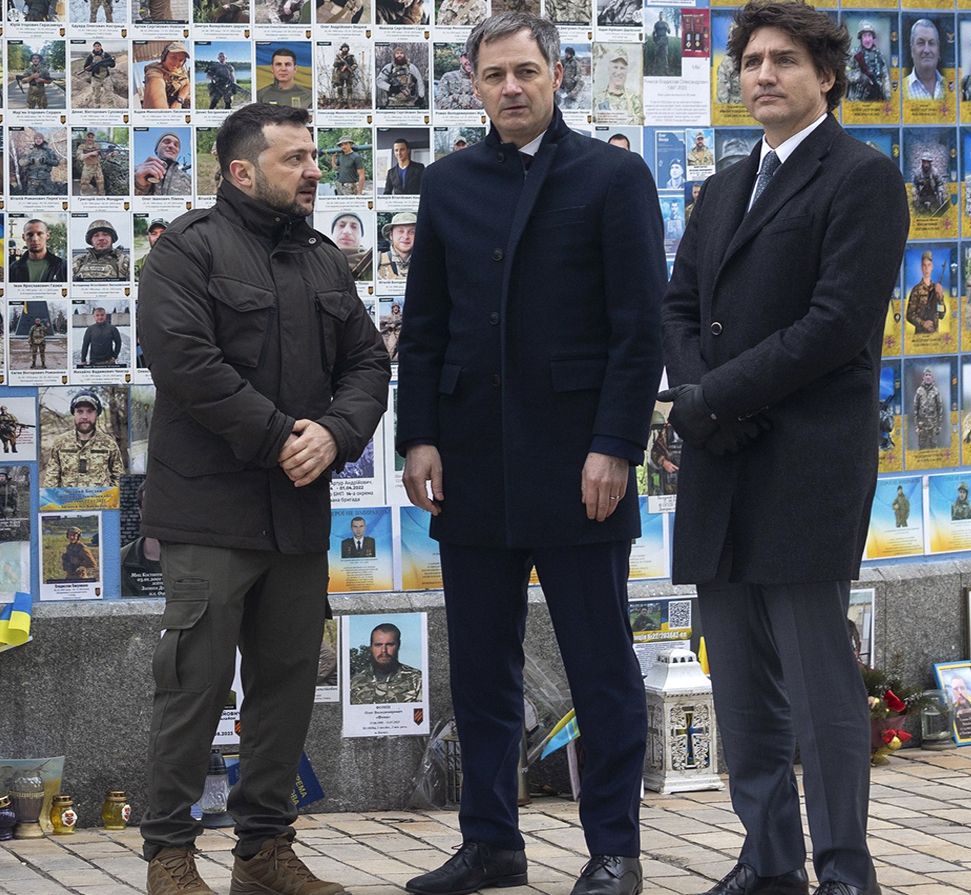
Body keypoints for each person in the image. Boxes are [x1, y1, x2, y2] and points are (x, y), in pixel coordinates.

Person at [395, 12, 661, 895]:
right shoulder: (447, 183)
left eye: (526, 72)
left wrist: (617, 444)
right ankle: (491, 842)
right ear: (472, 84)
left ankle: (614, 848)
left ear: (557, 76)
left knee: (600, 663)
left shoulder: (613, 177)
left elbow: (638, 327)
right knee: (480, 665)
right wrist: (419, 433)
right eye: (493, 75)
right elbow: (425, 325)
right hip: (471, 463)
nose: (511, 88)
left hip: (582, 464)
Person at [659, 3, 908, 894]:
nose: (763, 75)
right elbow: (678, 306)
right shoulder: (725, 186)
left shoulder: (863, 179)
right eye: (752, 62)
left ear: (826, 75)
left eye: (784, 61)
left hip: (805, 463)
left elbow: (835, 326)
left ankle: (845, 866)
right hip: (723, 459)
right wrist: (701, 399)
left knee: (817, 683)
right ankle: (768, 859)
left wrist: (715, 397)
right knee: (741, 686)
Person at [134, 100, 387, 895]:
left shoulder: (322, 258)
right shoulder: (187, 252)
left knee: (284, 686)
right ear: (241, 171)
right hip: (211, 513)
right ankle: (170, 853)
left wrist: (335, 434)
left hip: (297, 517)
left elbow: (368, 365)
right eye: (297, 159)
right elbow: (185, 363)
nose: (316, 170)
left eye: (314, 156)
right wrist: (283, 434)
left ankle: (263, 850)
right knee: (194, 685)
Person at [41, 390, 122, 488]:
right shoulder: (60, 442)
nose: (84, 416)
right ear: (73, 414)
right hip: (68, 502)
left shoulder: (109, 443)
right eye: (80, 411)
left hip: (99, 501)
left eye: (90, 411)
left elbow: (119, 477)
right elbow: (51, 478)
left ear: (97, 414)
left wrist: (112, 499)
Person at [349, 623, 424, 703]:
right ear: (371, 647)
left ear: (398, 645)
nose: (384, 650)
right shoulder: (353, 683)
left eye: (390, 645)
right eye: (378, 645)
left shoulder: (418, 680)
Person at [135, 131, 192, 197]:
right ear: (156, 149)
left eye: (176, 145)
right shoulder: (136, 171)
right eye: (166, 142)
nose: (171, 146)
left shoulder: (188, 180)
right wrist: (139, 185)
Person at [904, 251, 946, 335]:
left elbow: (942, 315)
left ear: (932, 267)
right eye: (924, 265)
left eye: (929, 265)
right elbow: (909, 315)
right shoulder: (916, 290)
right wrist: (923, 323)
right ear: (921, 267)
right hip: (920, 337)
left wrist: (940, 298)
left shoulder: (937, 289)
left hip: (934, 336)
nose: (926, 268)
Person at [142, 42, 192, 110]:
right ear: (165, 56)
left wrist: (179, 100)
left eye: (181, 60)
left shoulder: (180, 71)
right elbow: (155, 81)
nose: (176, 63)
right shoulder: (154, 71)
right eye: (173, 57)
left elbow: (187, 84)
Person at [903, 18, 944, 100]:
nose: (926, 50)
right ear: (912, 49)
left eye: (931, 43)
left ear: (938, 50)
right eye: (921, 43)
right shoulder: (900, 91)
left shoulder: (952, 88)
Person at [14, 130, 63, 195]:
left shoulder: (49, 151)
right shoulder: (29, 151)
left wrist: (47, 160)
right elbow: (21, 163)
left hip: (46, 179)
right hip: (32, 180)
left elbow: (56, 163)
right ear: (34, 140)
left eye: (40, 138)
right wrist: (29, 160)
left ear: (43, 139)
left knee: (48, 197)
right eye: (36, 138)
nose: (38, 140)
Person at [846, 23, 885, 102]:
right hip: (856, 101)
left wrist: (887, 97)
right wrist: (860, 77)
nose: (867, 39)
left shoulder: (879, 55)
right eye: (864, 36)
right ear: (860, 38)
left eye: (869, 35)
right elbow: (846, 72)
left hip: (875, 99)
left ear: (873, 38)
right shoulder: (854, 53)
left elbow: (885, 76)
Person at [377, 213, 415, 282]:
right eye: (401, 231)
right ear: (391, 235)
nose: (406, 236)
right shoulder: (376, 261)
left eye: (412, 232)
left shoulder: (428, 262)